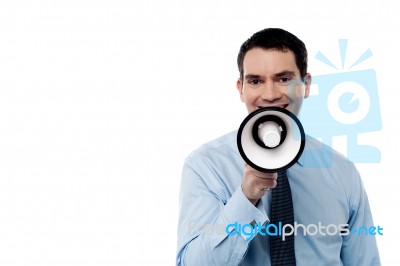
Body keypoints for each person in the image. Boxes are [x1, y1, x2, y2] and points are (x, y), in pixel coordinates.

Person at [176, 28, 380, 265]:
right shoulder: (205, 167)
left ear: (306, 85)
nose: (270, 94)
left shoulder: (343, 171)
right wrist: (245, 198)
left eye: (284, 79)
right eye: (255, 81)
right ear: (241, 89)